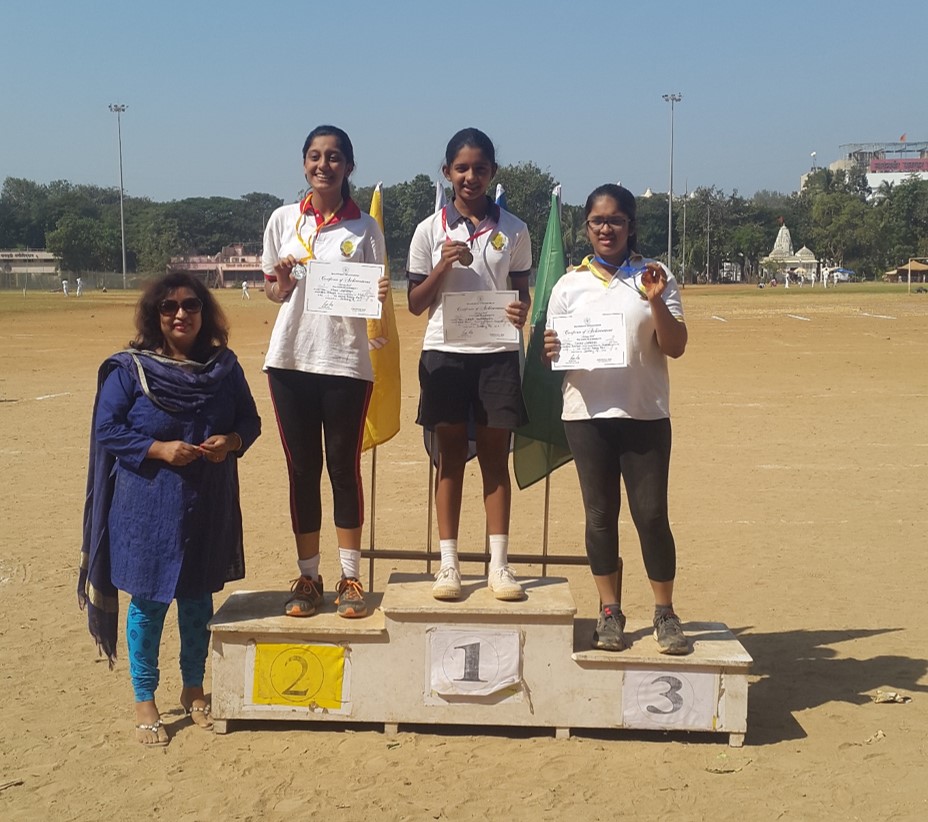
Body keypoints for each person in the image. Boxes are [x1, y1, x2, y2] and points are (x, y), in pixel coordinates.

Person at [79, 272, 261, 746]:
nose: (181, 314)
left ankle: (194, 689)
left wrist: (233, 440)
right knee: (150, 602)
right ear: (154, 315)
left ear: (205, 311)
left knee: (198, 600)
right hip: (148, 506)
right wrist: (160, 450)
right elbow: (108, 429)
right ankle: (146, 700)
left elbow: (250, 419)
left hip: (206, 499)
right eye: (169, 307)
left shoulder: (224, 367)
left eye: (191, 305)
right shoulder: (130, 369)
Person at [543, 184, 691, 655]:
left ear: (631, 225)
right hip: (586, 416)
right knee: (600, 517)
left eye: (615, 220)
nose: (605, 229)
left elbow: (675, 346)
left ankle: (665, 611)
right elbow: (556, 355)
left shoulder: (656, 274)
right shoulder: (568, 285)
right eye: (597, 221)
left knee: (651, 515)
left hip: (644, 413)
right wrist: (552, 350)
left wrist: (654, 300)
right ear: (585, 227)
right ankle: (609, 610)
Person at [262, 124, 389, 620]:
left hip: (345, 362)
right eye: (314, 156)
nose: (323, 165)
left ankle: (351, 577)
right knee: (302, 470)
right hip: (290, 359)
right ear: (303, 164)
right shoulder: (282, 219)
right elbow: (274, 291)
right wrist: (285, 282)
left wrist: (374, 295)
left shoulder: (366, 228)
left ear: (349, 166)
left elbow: (371, 295)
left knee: (343, 468)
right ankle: (309, 576)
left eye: (334, 157)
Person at [407, 127, 531, 602]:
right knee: (450, 458)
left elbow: (520, 296)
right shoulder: (428, 230)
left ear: (493, 173)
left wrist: (520, 311)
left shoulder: (514, 229)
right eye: (462, 168)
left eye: (480, 168)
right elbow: (417, 303)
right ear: (446, 173)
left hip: (496, 355)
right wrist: (442, 265)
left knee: (497, 460)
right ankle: (449, 565)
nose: (471, 176)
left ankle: (500, 566)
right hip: (445, 355)